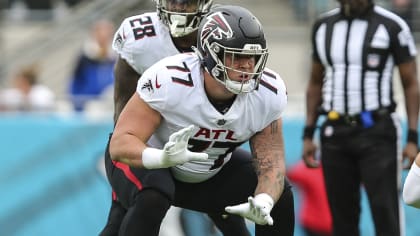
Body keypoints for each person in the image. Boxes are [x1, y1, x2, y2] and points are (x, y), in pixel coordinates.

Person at [107, 5, 295, 236]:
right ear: (210, 54)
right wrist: (161, 157)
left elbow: (271, 164)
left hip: (209, 171)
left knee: (281, 196)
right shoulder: (169, 80)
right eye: (237, 57)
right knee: (151, 196)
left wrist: (264, 200)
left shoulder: (268, 92)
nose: (247, 66)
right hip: (150, 164)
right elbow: (119, 143)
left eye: (253, 58)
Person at [99, 0, 236, 235]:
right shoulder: (141, 38)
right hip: (149, 143)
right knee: (128, 212)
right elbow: (122, 116)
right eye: (174, 1)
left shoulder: (226, 33)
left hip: (204, 139)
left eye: (188, 3)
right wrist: (135, 151)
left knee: (230, 212)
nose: (180, 9)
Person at [301, 0, 419, 235]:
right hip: (334, 130)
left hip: (377, 130)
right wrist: (308, 133)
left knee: (385, 211)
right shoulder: (323, 26)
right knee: (341, 217)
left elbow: (411, 83)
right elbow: (315, 82)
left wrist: (412, 137)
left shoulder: (392, 26)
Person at [68, 18, 116, 112]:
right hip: (87, 103)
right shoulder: (85, 56)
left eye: (107, 32)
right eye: (101, 31)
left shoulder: (116, 56)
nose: (104, 36)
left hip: (109, 104)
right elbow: (76, 81)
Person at [287, 160, 332, 236]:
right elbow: (291, 174)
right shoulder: (310, 168)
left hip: (318, 224)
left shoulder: (309, 168)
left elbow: (291, 174)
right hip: (315, 225)